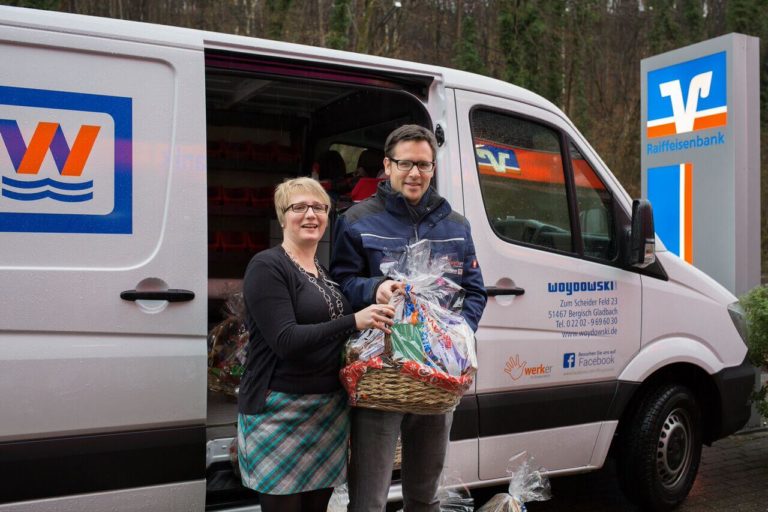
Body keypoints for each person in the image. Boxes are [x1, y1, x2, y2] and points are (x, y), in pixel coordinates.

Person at [330, 125, 488, 511]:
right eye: (405, 164)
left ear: (434, 167)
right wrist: (375, 289)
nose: (414, 173)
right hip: (380, 372)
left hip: (437, 377)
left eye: (423, 164)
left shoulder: (457, 226)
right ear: (387, 165)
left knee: (425, 496)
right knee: (368, 500)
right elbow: (339, 285)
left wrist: (457, 337)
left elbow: (475, 291)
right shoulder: (356, 220)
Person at [237, 177, 395, 512]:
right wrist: (355, 320)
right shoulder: (267, 266)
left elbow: (334, 330)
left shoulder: (321, 271)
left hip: (327, 411)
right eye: (299, 207)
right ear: (282, 217)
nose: (311, 214)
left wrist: (378, 295)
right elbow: (286, 340)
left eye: (320, 207)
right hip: (279, 412)